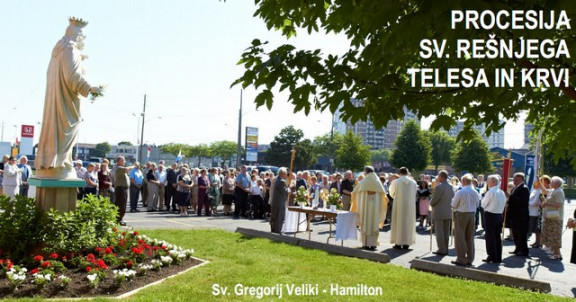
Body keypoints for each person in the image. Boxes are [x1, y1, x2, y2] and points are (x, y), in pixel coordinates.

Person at [35, 17, 102, 178]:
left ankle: (54, 162)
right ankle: (60, 163)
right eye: (82, 37)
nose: (83, 40)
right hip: (66, 102)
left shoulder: (58, 51)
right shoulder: (70, 49)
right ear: (77, 35)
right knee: (66, 130)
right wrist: (90, 89)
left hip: (58, 99)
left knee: (57, 131)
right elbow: (72, 77)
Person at [350, 166, 388, 250]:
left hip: (365, 209)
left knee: (366, 223)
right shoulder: (378, 182)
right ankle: (373, 243)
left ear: (366, 172)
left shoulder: (364, 181)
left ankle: (366, 244)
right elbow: (384, 196)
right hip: (375, 209)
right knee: (373, 224)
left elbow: (355, 193)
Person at [451, 174, 480, 266]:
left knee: (460, 238)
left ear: (463, 182)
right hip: (472, 214)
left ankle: (461, 259)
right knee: (470, 238)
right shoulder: (475, 192)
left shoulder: (460, 192)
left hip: (461, 214)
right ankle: (470, 259)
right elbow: (477, 204)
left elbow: (454, 204)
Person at [389, 167, 417, 249]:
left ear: (400, 173)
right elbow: (414, 193)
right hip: (409, 205)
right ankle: (406, 243)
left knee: (398, 222)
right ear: (407, 173)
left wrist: (396, 197)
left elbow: (391, 192)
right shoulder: (413, 182)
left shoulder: (396, 181)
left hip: (399, 204)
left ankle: (398, 243)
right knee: (408, 223)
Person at [481, 174, 507, 263]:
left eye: (488, 181)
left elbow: (483, 204)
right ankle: (498, 256)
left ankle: (492, 256)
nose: (487, 182)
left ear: (492, 182)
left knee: (490, 236)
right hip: (499, 215)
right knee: (497, 236)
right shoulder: (501, 192)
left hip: (491, 215)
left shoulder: (490, 192)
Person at [429, 170, 454, 256]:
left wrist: (430, 203)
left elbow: (434, 200)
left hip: (439, 211)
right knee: (446, 232)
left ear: (442, 177)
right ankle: (445, 249)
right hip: (447, 211)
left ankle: (441, 249)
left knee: (439, 232)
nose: (438, 177)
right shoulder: (451, 186)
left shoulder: (439, 187)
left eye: (439, 176)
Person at [541, 176, 565, 260]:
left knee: (555, 236)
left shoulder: (559, 192)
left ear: (557, 183)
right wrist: (538, 181)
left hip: (555, 217)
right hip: (550, 216)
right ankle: (554, 252)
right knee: (551, 234)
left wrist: (547, 203)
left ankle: (557, 254)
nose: (550, 183)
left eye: (552, 182)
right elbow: (544, 190)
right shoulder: (553, 190)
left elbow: (559, 204)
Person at [508, 173, 530, 257]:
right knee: (516, 233)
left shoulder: (524, 188)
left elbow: (523, 201)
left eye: (515, 179)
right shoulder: (515, 188)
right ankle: (517, 248)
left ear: (521, 179)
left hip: (521, 216)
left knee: (521, 234)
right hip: (514, 215)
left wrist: (510, 197)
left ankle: (524, 250)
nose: (514, 180)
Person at [270, 167, 290, 233]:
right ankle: (277, 231)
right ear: (282, 173)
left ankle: (273, 230)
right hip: (279, 204)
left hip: (275, 202)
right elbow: (284, 191)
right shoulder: (281, 181)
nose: (286, 175)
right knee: (278, 218)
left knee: (274, 218)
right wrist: (288, 189)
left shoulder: (277, 180)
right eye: (286, 173)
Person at [114, 156, 132, 226]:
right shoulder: (119, 168)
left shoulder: (121, 169)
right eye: (123, 160)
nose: (124, 161)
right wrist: (135, 165)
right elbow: (127, 169)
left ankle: (120, 219)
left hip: (124, 188)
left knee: (123, 205)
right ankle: (118, 219)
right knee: (120, 205)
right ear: (118, 161)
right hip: (120, 188)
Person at [528, 179, 543, 248]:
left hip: (536, 212)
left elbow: (535, 202)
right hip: (531, 211)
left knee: (537, 229)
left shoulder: (540, 191)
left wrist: (527, 203)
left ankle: (539, 242)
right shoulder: (534, 191)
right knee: (535, 229)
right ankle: (536, 241)